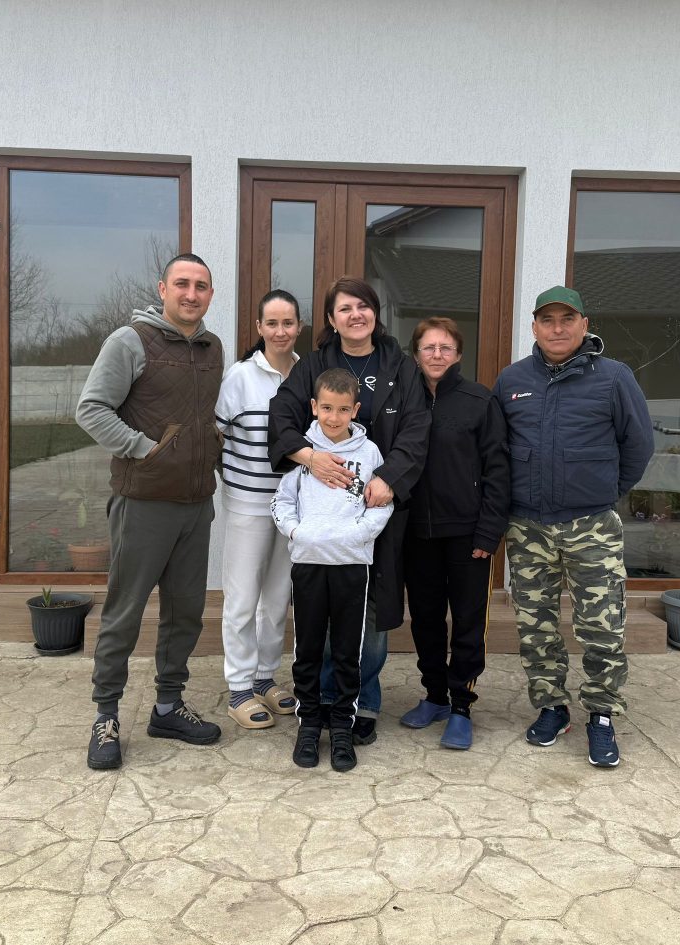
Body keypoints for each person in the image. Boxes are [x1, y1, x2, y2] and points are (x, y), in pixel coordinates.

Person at [493, 285, 654, 768]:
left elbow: (638, 446)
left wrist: (602, 491)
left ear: (585, 325)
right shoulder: (512, 380)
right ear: (534, 327)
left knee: (602, 625)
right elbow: (496, 450)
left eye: (567, 319)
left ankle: (601, 714)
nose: (558, 328)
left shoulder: (614, 377)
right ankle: (551, 707)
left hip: (592, 526)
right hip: (527, 527)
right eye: (548, 320)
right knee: (535, 624)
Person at [76, 253, 224, 770]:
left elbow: (201, 418)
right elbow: (91, 408)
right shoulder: (130, 341)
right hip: (143, 503)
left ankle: (167, 707)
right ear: (163, 289)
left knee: (185, 612)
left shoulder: (212, 348)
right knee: (125, 612)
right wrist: (145, 450)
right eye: (182, 283)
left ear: (210, 294)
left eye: (201, 286)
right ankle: (106, 716)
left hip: (195, 504)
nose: (191, 294)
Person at [268, 277, 429, 745]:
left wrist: (388, 478)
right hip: (322, 520)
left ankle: (364, 699)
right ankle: (322, 702)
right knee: (322, 615)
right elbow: (281, 416)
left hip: (376, 509)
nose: (355, 315)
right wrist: (309, 457)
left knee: (372, 611)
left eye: (363, 306)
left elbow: (417, 430)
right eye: (344, 308)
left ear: (376, 312)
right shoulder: (314, 365)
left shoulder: (401, 367)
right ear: (331, 319)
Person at [271, 368, 393, 771]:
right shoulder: (302, 451)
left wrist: (358, 536)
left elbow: (382, 505)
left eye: (343, 409)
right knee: (307, 650)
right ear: (314, 407)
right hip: (308, 563)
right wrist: (296, 532)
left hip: (350, 565)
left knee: (346, 651)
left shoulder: (369, 453)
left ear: (355, 409)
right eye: (326, 408)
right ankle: (309, 725)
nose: (334, 417)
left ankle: (342, 726)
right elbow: (282, 502)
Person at [401, 317, 510, 750]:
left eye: (445, 348)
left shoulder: (479, 401)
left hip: (468, 534)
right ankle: (435, 697)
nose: (437, 355)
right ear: (416, 354)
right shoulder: (403, 399)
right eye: (428, 347)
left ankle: (462, 705)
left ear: (459, 354)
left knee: (467, 621)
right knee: (425, 619)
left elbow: (498, 470)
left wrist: (489, 533)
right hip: (416, 533)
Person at [215, 290, 303, 730]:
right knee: (243, 597)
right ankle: (239, 687)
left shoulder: (307, 374)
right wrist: (232, 483)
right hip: (248, 504)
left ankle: (265, 677)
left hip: (292, 505)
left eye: (288, 323)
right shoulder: (240, 377)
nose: (280, 331)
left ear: (299, 327)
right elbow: (216, 436)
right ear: (259, 328)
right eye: (272, 323)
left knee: (277, 597)